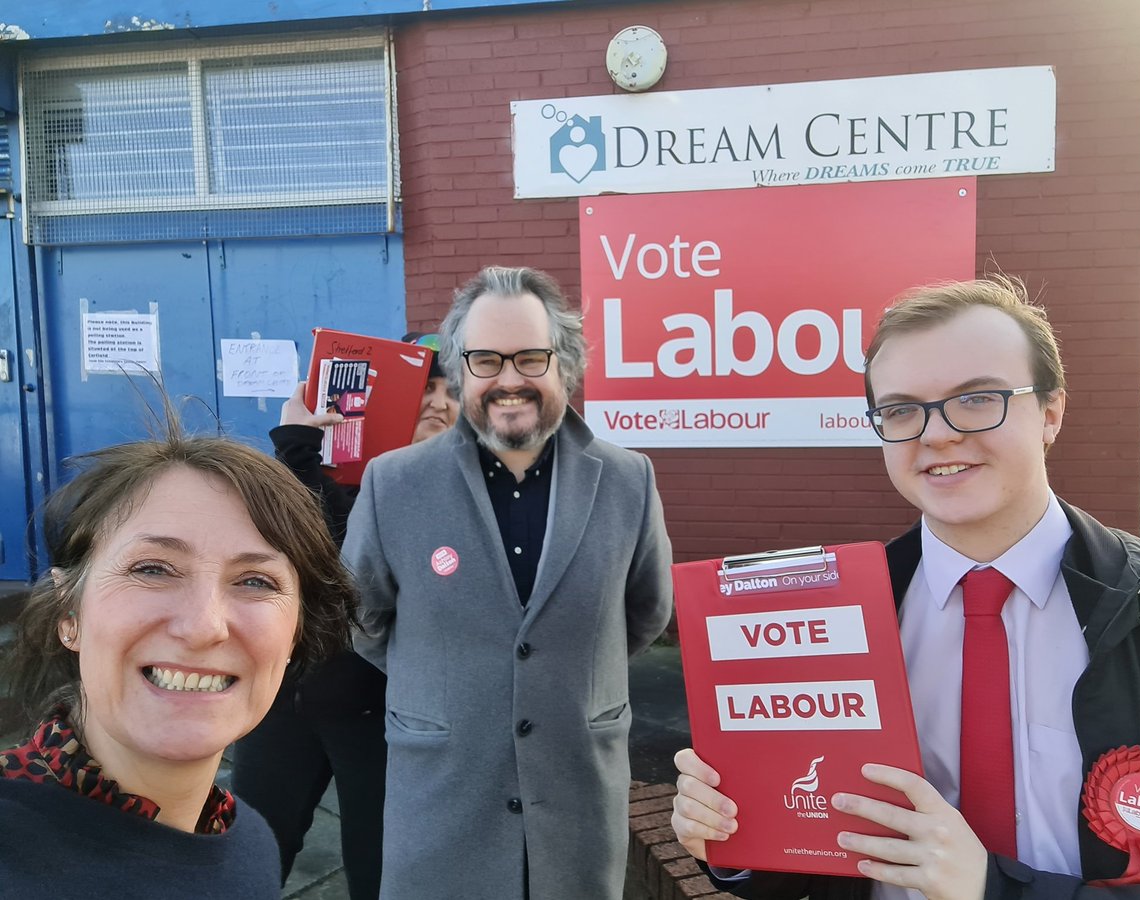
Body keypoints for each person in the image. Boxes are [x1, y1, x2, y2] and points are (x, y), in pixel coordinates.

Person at [671, 276, 1140, 899]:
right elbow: (809, 860)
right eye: (900, 410)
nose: (937, 434)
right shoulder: (829, 618)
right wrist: (737, 844)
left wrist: (990, 890)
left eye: (977, 399)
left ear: (1050, 413)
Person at [344, 266, 674, 899]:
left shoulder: (629, 481)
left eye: (530, 357)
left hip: (576, 790)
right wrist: (447, 679)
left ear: (565, 365)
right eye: (486, 360)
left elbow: (644, 614)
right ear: (464, 370)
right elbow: (362, 618)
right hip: (445, 793)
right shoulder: (395, 483)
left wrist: (562, 672)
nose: (509, 380)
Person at [0, 412, 357, 898]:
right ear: (69, 613)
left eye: (256, 581)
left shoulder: (248, 842)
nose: (203, 627)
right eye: (153, 569)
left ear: (294, 633)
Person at [231, 331, 458, 900]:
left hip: (380, 714)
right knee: (245, 855)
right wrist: (302, 449)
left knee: (381, 872)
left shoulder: (459, 494)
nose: (438, 402)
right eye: (425, 386)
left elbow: (350, 582)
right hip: (287, 703)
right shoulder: (328, 479)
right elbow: (296, 552)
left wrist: (299, 454)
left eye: (452, 389)